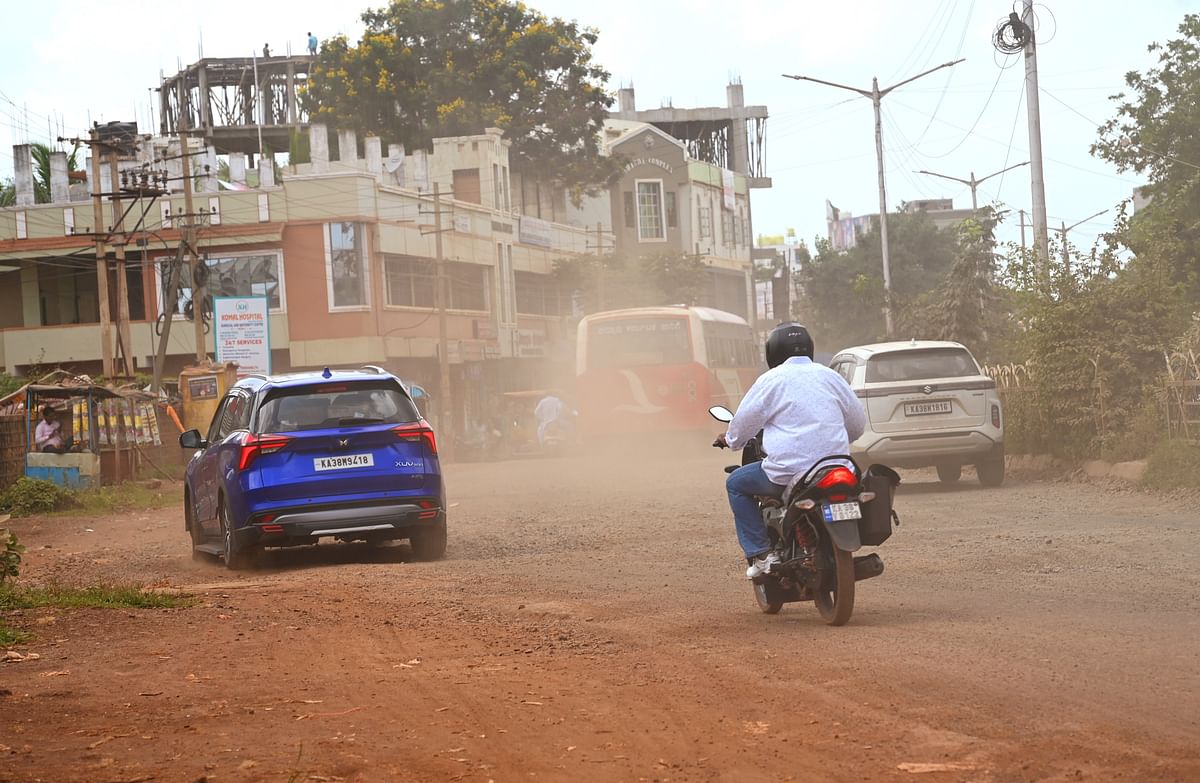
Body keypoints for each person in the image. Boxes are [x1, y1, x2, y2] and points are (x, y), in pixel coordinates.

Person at [715, 323, 866, 579]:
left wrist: (731, 440)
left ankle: (761, 554)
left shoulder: (771, 380)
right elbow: (857, 424)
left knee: (736, 484)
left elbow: (744, 422)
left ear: (772, 351)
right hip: (837, 467)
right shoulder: (830, 376)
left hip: (787, 473)